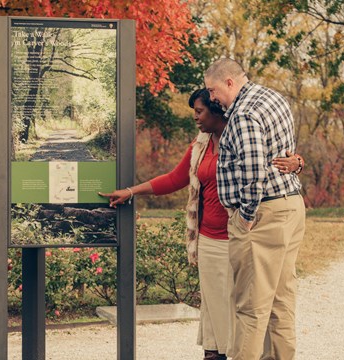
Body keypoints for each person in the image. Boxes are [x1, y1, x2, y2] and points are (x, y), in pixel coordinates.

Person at [99, 89, 303, 360]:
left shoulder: (244, 134)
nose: (195, 117)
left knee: (249, 307)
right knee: (214, 313)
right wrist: (131, 191)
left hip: (241, 235)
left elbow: (271, 165)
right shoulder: (201, 145)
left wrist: (298, 163)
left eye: (199, 111)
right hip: (209, 240)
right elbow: (175, 178)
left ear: (217, 110)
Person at [204, 58, 306, 360]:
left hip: (262, 215)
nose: (211, 98)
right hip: (290, 208)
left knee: (250, 306)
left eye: (213, 90)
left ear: (230, 83)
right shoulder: (274, 98)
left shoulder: (243, 114)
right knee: (280, 302)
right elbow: (284, 152)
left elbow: (252, 171)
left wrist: (246, 216)